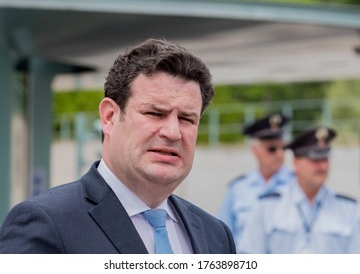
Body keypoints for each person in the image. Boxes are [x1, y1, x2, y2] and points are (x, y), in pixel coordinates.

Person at [0, 38, 236, 254]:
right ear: (109, 117)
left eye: (186, 119)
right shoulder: (46, 223)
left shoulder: (216, 235)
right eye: (154, 113)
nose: (173, 132)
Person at [238, 126, 360, 253]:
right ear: (296, 162)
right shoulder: (267, 206)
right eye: (315, 159)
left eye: (325, 159)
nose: (322, 166)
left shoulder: (348, 209)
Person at [218, 113, 294, 247]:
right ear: (255, 150)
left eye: (283, 147)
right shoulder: (237, 188)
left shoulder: (298, 184)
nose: (280, 154)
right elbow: (223, 236)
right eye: (272, 149)